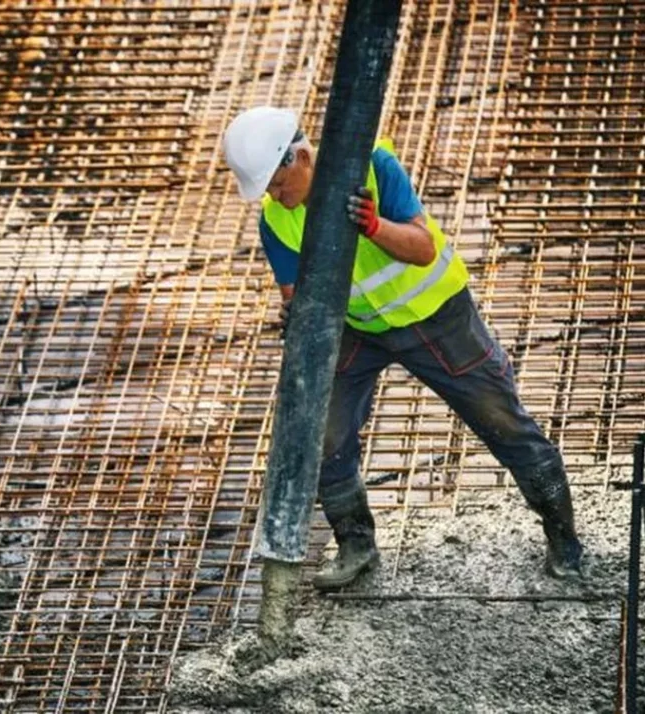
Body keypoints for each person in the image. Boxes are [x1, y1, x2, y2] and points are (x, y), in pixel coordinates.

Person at [222, 106, 584, 589]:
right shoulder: (276, 221)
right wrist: (296, 316)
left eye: (275, 183)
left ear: (301, 158)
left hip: (437, 318)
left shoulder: (373, 167)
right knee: (324, 433)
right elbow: (296, 295)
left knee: (502, 421)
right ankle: (355, 544)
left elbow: (422, 248)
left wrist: (374, 227)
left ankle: (565, 540)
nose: (273, 196)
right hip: (357, 328)